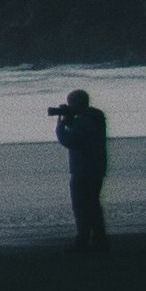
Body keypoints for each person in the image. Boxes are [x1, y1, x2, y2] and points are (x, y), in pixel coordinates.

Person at [52, 87, 111, 252]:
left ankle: (83, 240)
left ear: (77, 104)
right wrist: (71, 120)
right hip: (96, 167)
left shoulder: (85, 120)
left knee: (81, 205)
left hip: (83, 169)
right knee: (92, 205)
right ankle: (98, 239)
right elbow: (83, 134)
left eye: (71, 104)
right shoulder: (95, 116)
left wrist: (60, 127)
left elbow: (71, 141)